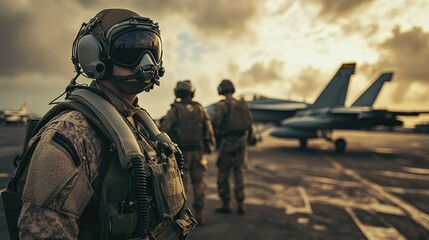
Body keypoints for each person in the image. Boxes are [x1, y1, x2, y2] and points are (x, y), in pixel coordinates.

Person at [16, 9, 195, 239]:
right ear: (94, 55)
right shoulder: (71, 133)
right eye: (130, 50)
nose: (146, 62)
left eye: (152, 51)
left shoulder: (137, 123)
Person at [161, 80, 215, 225]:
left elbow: (165, 130)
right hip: (199, 153)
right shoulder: (200, 109)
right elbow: (208, 129)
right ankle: (200, 215)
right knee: (199, 184)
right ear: (191, 92)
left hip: (181, 154)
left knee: (180, 187)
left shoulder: (174, 110)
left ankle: (181, 217)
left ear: (177, 93)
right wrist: (210, 145)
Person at [211, 79, 253, 215]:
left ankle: (226, 204)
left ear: (222, 90)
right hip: (242, 141)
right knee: (239, 172)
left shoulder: (223, 105)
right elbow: (249, 123)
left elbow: (216, 122)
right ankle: (241, 204)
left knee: (224, 173)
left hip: (228, 141)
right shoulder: (242, 104)